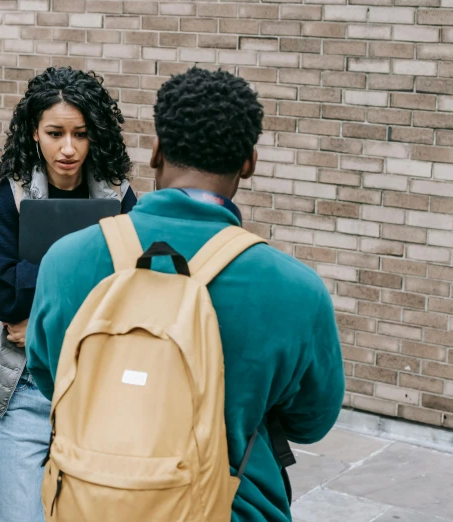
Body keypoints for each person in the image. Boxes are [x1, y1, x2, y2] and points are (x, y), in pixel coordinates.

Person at [26, 67, 345, 521]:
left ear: (156, 152)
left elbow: (51, 377)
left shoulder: (66, 260)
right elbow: (312, 422)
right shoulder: (296, 289)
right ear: (249, 163)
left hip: (89, 504)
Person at [0, 66, 137, 521]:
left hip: (94, 379)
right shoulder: (6, 198)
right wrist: (91, 271)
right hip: (23, 381)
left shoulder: (119, 196)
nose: (68, 148)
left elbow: (132, 285)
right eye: (55, 133)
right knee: (18, 513)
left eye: (81, 134)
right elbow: (4, 296)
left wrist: (48, 311)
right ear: (33, 133)